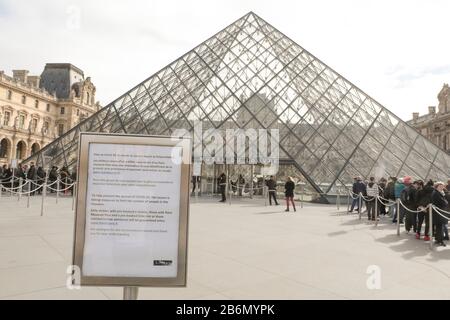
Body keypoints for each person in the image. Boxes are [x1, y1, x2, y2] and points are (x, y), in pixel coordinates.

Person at [431, 181, 448, 247]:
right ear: (437, 186)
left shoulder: (437, 192)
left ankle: (438, 239)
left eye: (442, 186)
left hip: (438, 212)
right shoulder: (436, 193)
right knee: (440, 226)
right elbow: (444, 202)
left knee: (439, 226)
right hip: (438, 212)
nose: (442, 187)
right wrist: (445, 201)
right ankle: (440, 240)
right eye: (440, 186)